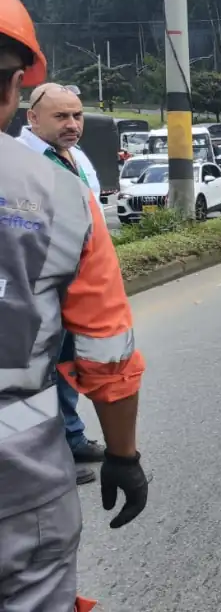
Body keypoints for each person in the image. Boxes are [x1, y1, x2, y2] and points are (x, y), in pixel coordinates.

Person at [0, 0, 149, 612]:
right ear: (15, 94)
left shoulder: (72, 172)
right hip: (16, 485)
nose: (72, 124)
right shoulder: (52, 193)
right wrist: (123, 454)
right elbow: (107, 351)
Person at [15, 82, 108, 485]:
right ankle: (43, 460)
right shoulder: (17, 161)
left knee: (67, 367)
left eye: (77, 115)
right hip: (35, 290)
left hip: (77, 284)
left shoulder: (75, 156)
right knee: (37, 377)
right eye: (61, 116)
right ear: (32, 118)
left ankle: (71, 438)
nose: (72, 124)